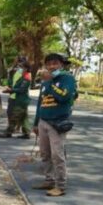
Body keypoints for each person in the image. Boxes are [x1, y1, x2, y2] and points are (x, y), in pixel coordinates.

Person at [32, 54, 77, 197]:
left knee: (57, 155)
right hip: (43, 121)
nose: (51, 66)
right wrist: (35, 122)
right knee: (45, 153)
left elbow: (64, 97)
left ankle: (60, 185)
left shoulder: (67, 79)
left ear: (61, 65)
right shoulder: (45, 83)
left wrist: (51, 82)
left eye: (55, 63)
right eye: (49, 64)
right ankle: (49, 180)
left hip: (57, 123)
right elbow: (41, 102)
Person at [0, 58, 32, 139]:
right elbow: (15, 85)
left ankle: (8, 132)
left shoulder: (27, 77)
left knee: (14, 117)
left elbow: (22, 89)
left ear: (26, 68)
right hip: (19, 99)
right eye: (19, 66)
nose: (19, 68)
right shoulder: (21, 76)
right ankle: (26, 133)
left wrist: (11, 90)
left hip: (21, 100)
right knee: (24, 117)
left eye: (21, 67)